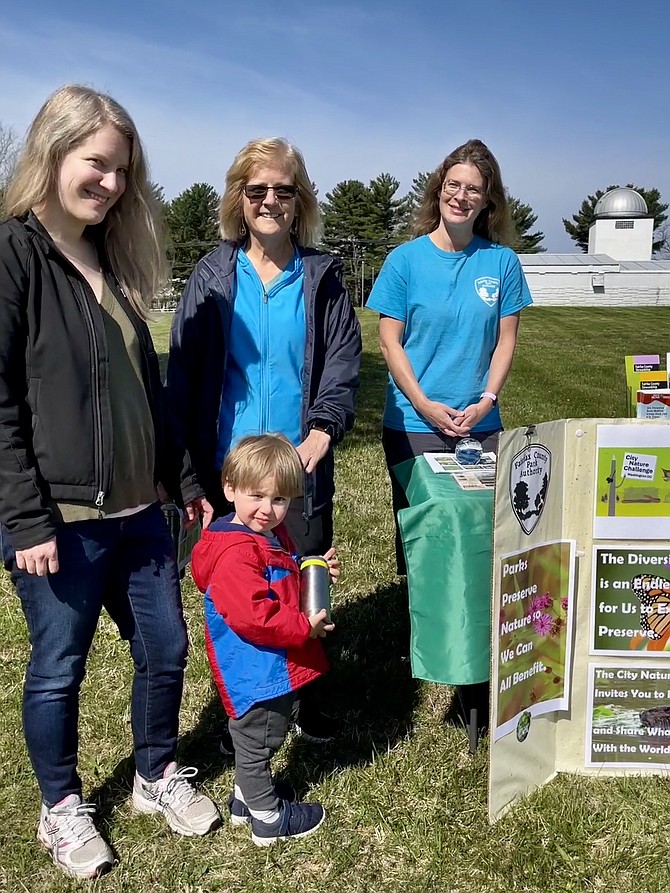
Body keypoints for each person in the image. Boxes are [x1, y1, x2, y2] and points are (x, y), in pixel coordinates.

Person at [0, 85, 219, 880]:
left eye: (123, 170)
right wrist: (25, 517)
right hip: (59, 518)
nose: (112, 183)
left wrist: (183, 477)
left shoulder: (113, 263)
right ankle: (61, 808)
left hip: (140, 513)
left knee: (165, 647)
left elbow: (145, 392)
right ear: (53, 152)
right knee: (59, 664)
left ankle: (156, 773)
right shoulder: (14, 252)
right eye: (98, 163)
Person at [166, 137, 361, 741]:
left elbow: (342, 362)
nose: (270, 200)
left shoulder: (322, 275)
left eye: (283, 189)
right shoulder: (214, 275)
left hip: (300, 467)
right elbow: (185, 377)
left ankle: (312, 697)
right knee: (242, 594)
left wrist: (324, 430)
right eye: (257, 190)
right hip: (232, 470)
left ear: (299, 199)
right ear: (239, 198)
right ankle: (249, 705)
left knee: (304, 580)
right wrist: (193, 477)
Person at [366, 139, 533, 574]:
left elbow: (506, 341)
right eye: (453, 185)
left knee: (486, 534)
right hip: (413, 421)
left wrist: (486, 402)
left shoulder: (503, 263)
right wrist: (422, 404)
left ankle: (480, 628)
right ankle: (426, 629)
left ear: (487, 200)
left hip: (480, 422)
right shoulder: (404, 260)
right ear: (439, 188)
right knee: (426, 535)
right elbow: (389, 342)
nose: (461, 196)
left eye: (473, 189)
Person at [191, 434, 338, 846]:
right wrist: (303, 629)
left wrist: (314, 567)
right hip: (258, 666)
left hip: (260, 663)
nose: (268, 510)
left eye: (279, 500)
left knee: (253, 735)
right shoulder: (238, 553)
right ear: (229, 489)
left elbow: (281, 570)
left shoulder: (255, 535)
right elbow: (255, 615)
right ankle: (267, 817)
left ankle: (243, 799)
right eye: (257, 496)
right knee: (261, 739)